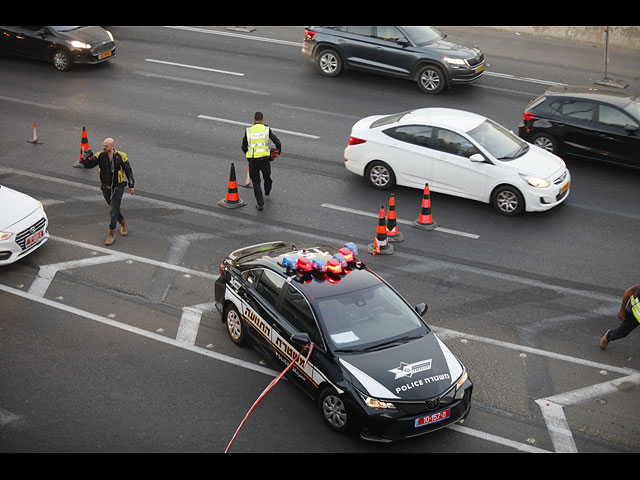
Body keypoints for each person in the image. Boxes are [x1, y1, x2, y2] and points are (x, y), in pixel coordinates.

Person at [81, 138, 135, 246]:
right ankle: (123, 222)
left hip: (118, 187)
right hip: (105, 187)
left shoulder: (121, 156)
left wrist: (131, 185)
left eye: (106, 146)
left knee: (113, 211)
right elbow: (90, 165)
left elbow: (129, 171)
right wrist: (85, 159)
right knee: (113, 208)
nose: (103, 147)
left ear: (112, 146)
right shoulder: (100, 155)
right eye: (103, 145)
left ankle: (111, 234)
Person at [241, 111, 281, 210]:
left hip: (253, 159)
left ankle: (260, 203)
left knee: (255, 181)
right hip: (264, 159)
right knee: (267, 176)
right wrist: (276, 153)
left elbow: (243, 147)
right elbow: (277, 142)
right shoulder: (267, 129)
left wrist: (248, 156)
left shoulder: (248, 131)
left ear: (254, 119)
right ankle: (267, 190)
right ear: (262, 119)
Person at [600, 284, 640, 350]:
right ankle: (608, 336)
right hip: (633, 314)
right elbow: (628, 293)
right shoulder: (638, 288)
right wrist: (622, 311)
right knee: (621, 333)